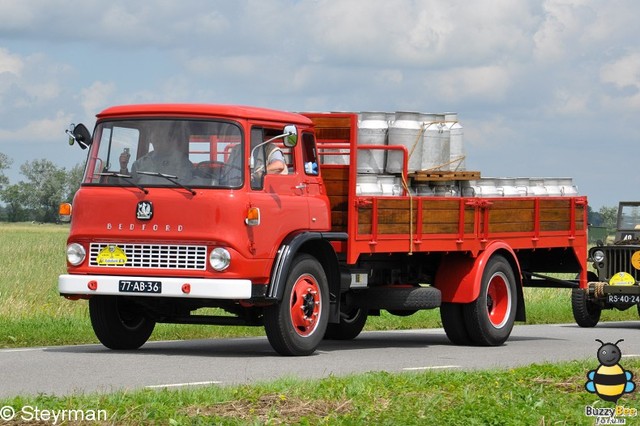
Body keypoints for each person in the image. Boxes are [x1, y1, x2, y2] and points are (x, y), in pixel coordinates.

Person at [119, 137, 193, 184]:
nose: (157, 142)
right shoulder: (141, 162)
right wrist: (123, 168)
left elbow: (186, 187)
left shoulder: (181, 161)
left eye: (160, 138)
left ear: (169, 140)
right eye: (155, 139)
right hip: (143, 201)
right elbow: (128, 185)